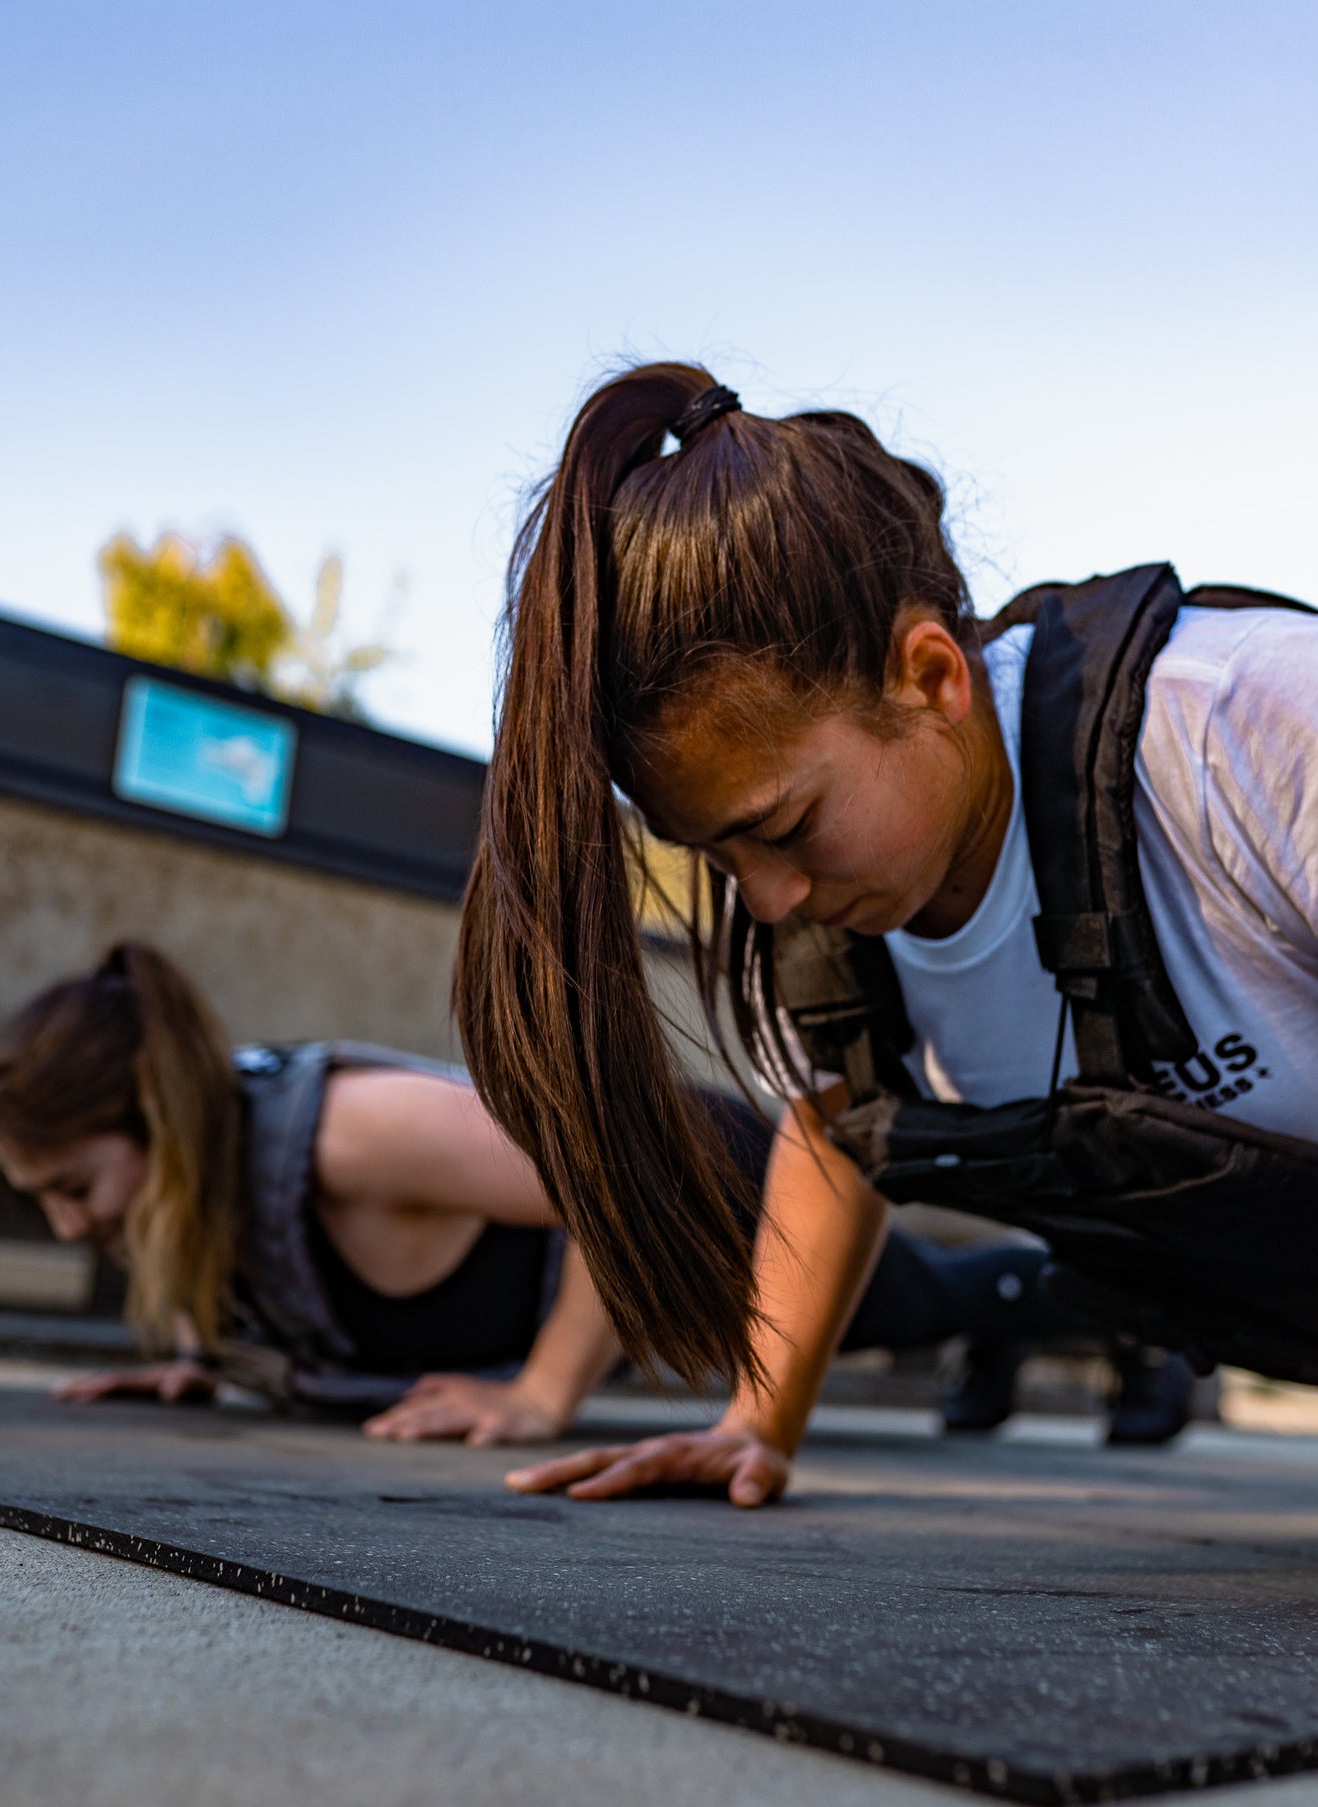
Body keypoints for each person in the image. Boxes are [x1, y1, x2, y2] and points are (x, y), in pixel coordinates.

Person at [450, 362, 1316, 1507]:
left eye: (783, 827)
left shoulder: (1235, 724)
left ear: (928, 678)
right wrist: (757, 1422)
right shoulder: (813, 935)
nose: (763, 898)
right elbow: (835, 1126)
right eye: (715, 855)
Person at [0, 943, 1159, 1444]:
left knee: (907, 1302)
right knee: (914, 1310)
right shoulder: (203, 1193)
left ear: (154, 1124)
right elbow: (227, 1248)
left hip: (698, 1172)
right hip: (632, 1232)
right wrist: (203, 1353)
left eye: (75, 1186)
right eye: (44, 1202)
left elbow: (606, 1178)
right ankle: (999, 1338)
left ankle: (1129, 1317)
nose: (73, 1223)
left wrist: (543, 1393)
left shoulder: (348, 1136)